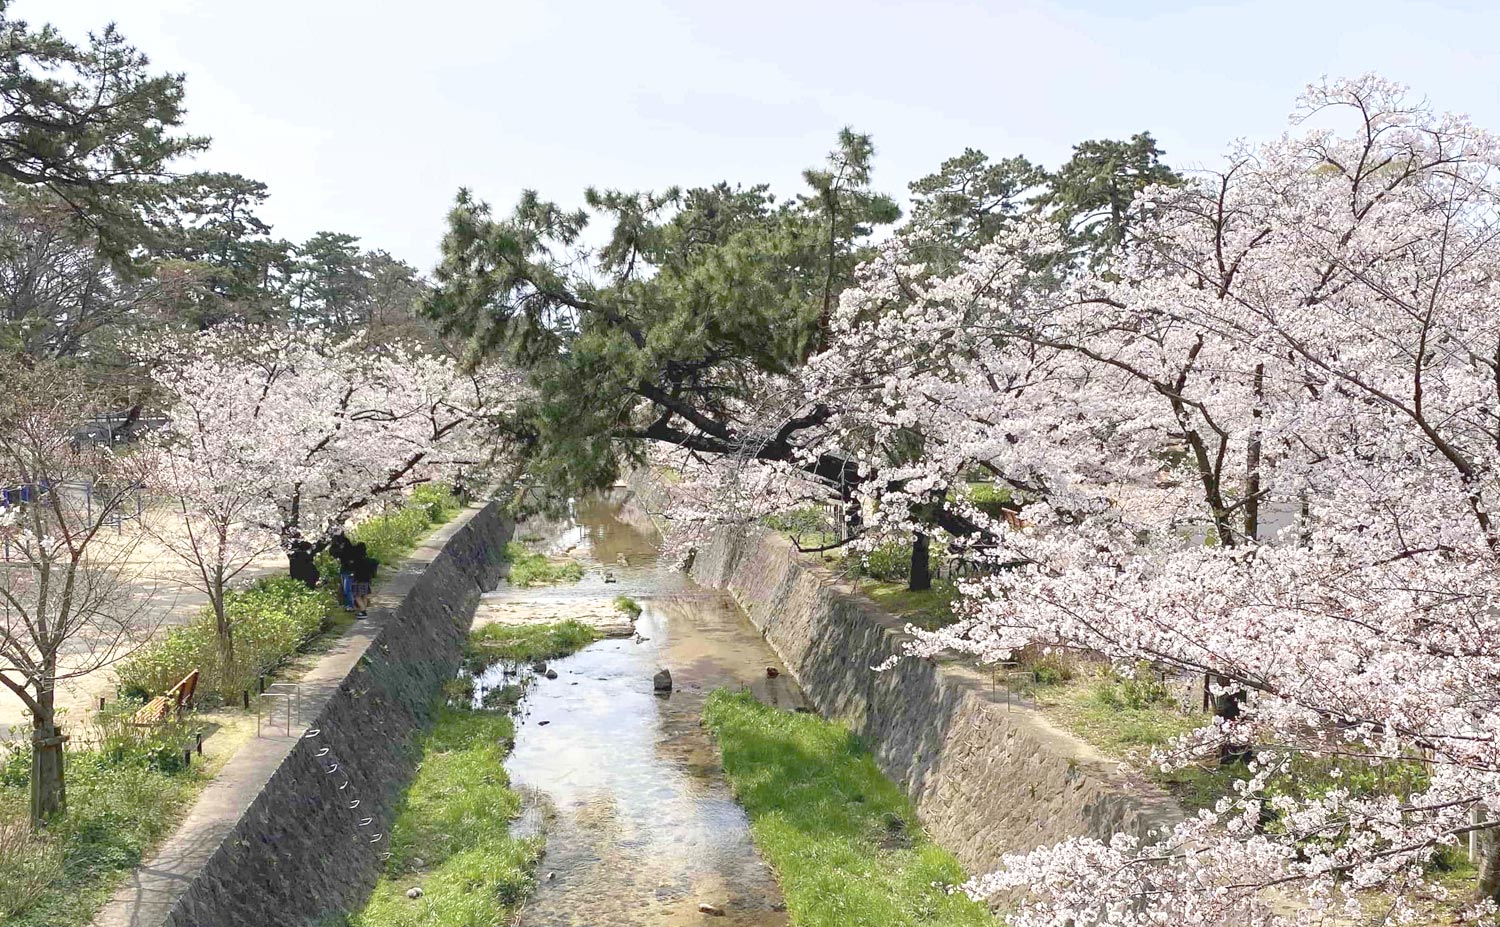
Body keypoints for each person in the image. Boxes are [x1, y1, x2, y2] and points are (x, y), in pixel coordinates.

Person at [350, 540, 377, 618]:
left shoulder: (357, 561)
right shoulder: (367, 560)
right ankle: (364, 610)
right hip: (366, 580)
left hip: (359, 580)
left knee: (357, 596)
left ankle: (363, 611)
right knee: (364, 595)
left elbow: (353, 569)